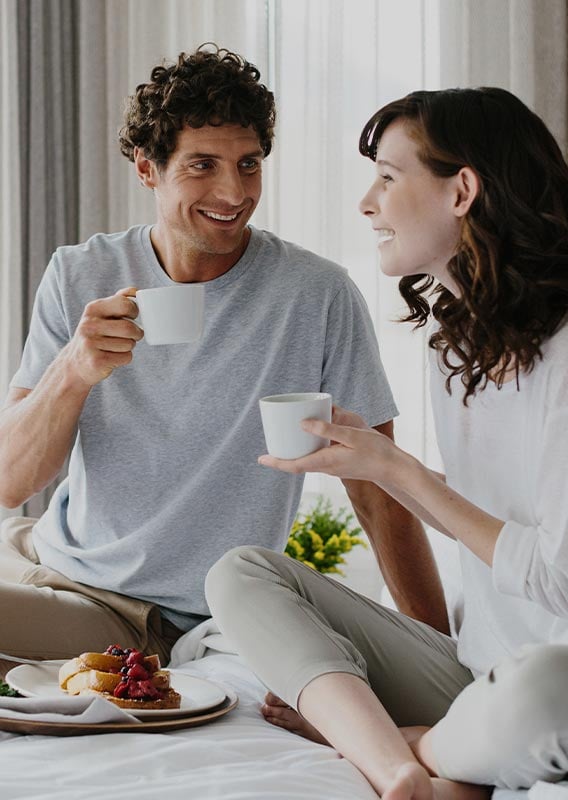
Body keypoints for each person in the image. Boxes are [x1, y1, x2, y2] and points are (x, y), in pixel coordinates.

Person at [0, 44, 438, 672]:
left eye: (249, 164)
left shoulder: (315, 295)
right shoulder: (80, 274)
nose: (233, 192)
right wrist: (75, 369)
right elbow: (12, 481)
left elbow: (379, 491)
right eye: (202, 165)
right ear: (148, 169)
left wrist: (440, 658)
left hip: (218, 615)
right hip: (71, 584)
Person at [206, 86, 568, 799]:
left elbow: (557, 578)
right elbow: (488, 524)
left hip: (546, 678)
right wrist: (380, 468)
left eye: (388, 177)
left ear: (462, 190)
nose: (366, 204)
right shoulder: (453, 347)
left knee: (548, 693)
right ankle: (400, 768)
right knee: (241, 573)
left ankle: (419, 745)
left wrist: (399, 469)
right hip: (471, 671)